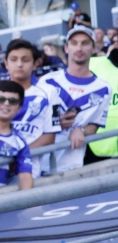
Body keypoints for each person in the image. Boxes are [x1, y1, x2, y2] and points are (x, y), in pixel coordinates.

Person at [39, 27, 111, 172]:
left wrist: (81, 130)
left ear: (94, 48)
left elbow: (94, 126)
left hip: (71, 167)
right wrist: (54, 123)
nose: (79, 48)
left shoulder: (103, 89)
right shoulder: (47, 81)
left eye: (85, 43)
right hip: (38, 164)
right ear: (66, 48)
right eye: (74, 43)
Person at [0, 39, 54, 176]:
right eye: (14, 60)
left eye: (25, 60)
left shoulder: (49, 92)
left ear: (35, 64)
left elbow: (49, 136)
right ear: (6, 64)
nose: (19, 64)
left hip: (30, 169)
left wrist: (19, 157)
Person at [0, 80, 34, 190]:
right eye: (0, 99)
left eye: (12, 101)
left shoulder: (20, 143)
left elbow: (25, 176)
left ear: (19, 108)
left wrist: (28, 199)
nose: (6, 104)